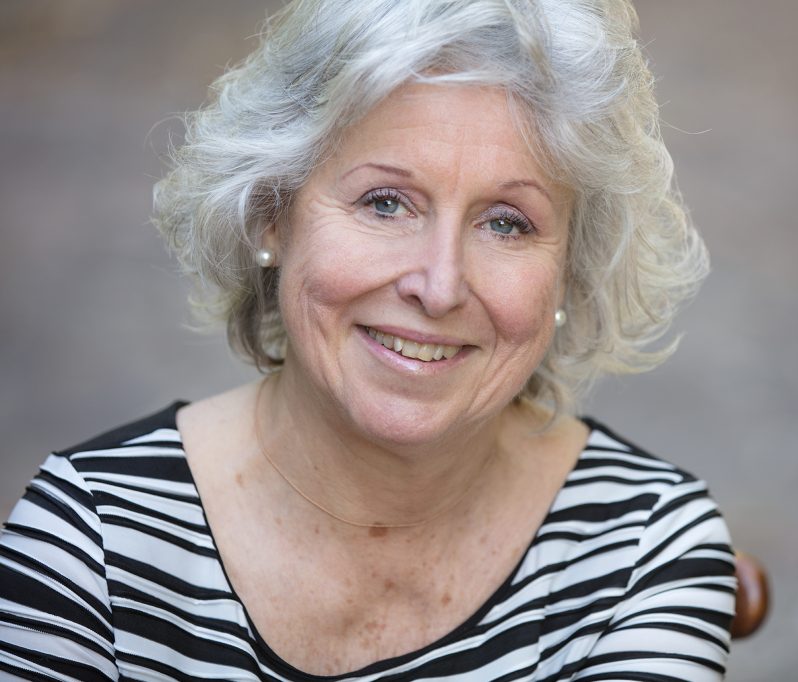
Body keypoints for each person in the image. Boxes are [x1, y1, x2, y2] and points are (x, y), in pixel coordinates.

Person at [0, 0, 735, 679]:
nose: (439, 286)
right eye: (385, 204)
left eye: (506, 223)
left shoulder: (644, 549)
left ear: (569, 272)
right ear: (272, 214)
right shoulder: (91, 542)